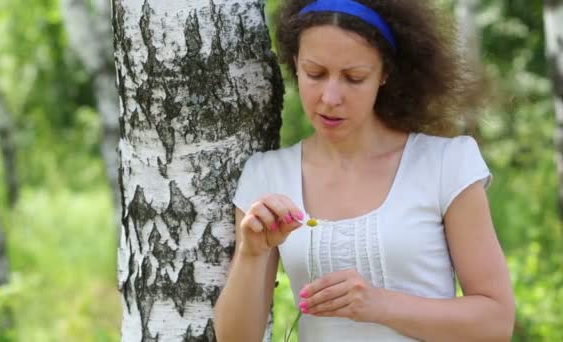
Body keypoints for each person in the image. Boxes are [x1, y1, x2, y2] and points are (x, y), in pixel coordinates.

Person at [214, 0, 515, 341]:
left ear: (385, 72)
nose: (330, 97)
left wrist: (378, 304)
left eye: (353, 78)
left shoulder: (446, 163)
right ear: (296, 63)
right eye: (315, 74)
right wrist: (250, 254)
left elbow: (496, 321)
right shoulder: (267, 175)